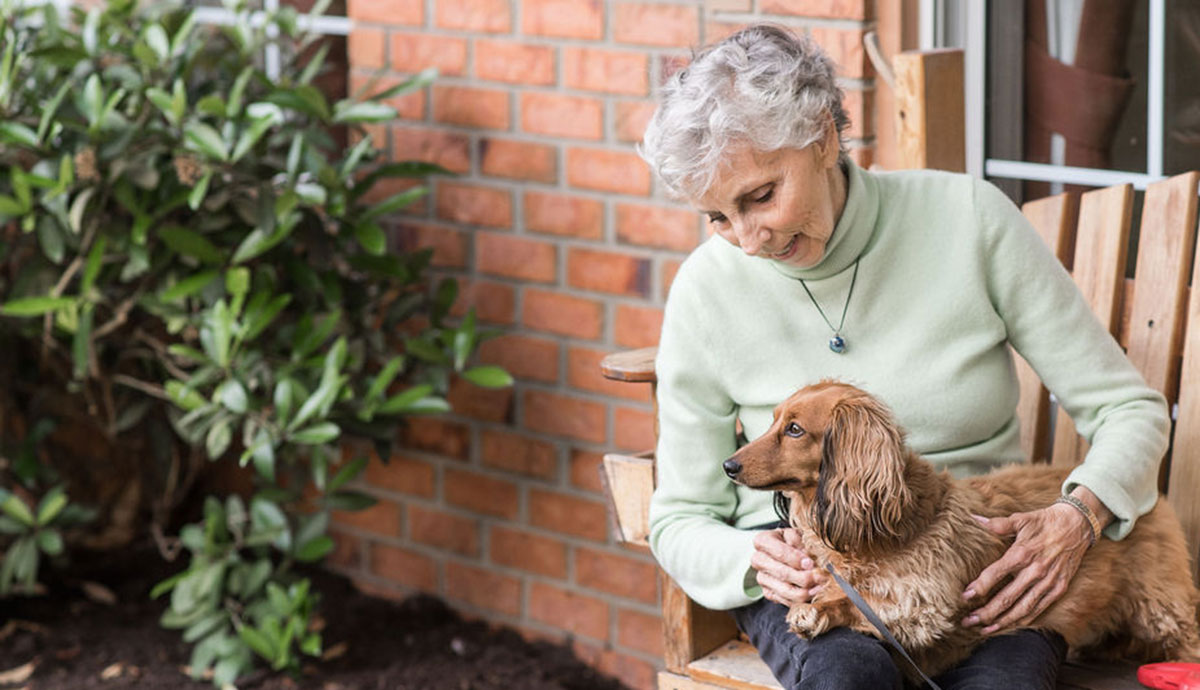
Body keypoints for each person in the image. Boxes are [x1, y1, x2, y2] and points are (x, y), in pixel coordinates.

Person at [639, 24, 1169, 690]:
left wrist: (1080, 515)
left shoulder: (967, 219)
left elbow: (1130, 409)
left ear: (825, 136)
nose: (747, 239)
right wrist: (752, 558)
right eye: (717, 217)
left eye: (760, 196)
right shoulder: (705, 290)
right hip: (816, 575)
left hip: (983, 566)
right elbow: (680, 517)